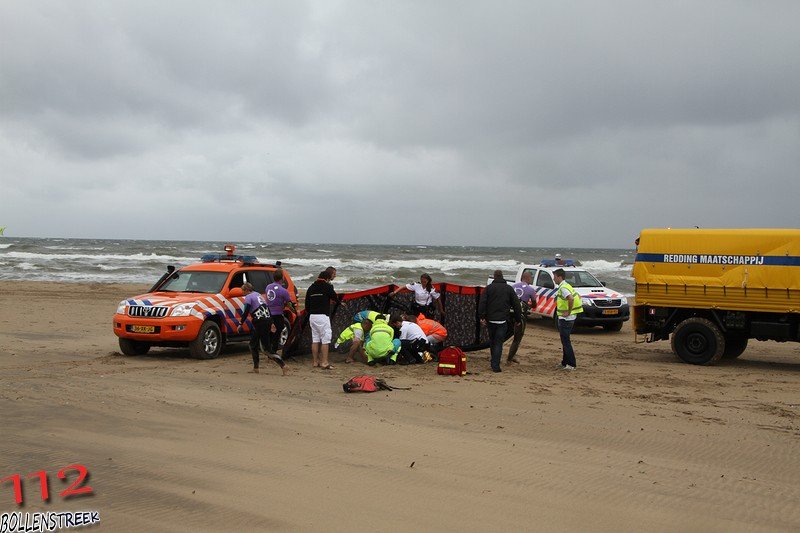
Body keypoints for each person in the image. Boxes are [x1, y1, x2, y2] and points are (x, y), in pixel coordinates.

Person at [237, 282, 287, 375]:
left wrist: (240, 323)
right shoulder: (258, 295)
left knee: (265, 348)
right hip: (266, 321)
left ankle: (283, 365)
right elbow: (267, 308)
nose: (242, 293)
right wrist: (271, 322)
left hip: (260, 323)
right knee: (254, 344)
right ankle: (256, 368)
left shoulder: (248, 297)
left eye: (243, 291)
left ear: (247, 290)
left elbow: (246, 311)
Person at [478, 270, 521, 373]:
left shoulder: (489, 288)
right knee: (498, 343)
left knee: (493, 341)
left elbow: (482, 303)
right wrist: (518, 319)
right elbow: (516, 305)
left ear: (494, 277)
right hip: (502, 320)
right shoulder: (509, 289)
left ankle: (494, 361)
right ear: (502, 277)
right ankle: (495, 365)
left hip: (491, 320)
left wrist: (481, 317)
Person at [305, 270, 338, 369]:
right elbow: (334, 297)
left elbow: (307, 305)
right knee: (325, 339)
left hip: (312, 316)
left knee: (315, 339)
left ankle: (315, 362)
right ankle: (324, 362)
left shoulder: (311, 288)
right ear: (327, 278)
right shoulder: (327, 286)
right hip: (323, 316)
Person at [553, 268, 583, 370]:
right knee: (564, 341)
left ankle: (571, 364)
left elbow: (571, 298)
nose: (553, 279)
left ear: (559, 277)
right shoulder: (565, 285)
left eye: (554, 277)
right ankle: (565, 363)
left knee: (566, 342)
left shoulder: (563, 287)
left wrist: (568, 311)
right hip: (566, 317)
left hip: (567, 318)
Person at [507, 271, 537, 364]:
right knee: (517, 338)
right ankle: (510, 358)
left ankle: (496, 354)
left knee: (503, 335)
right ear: (528, 278)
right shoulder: (531, 290)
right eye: (531, 278)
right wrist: (529, 306)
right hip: (520, 316)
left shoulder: (513, 286)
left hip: (508, 314)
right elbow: (534, 304)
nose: (531, 279)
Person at [264, 269, 297, 355]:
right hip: (278, 314)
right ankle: (273, 351)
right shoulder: (283, 291)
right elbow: (289, 304)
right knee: (277, 333)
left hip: (268, 314)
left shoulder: (268, 287)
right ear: (282, 278)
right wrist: (295, 312)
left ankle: (268, 350)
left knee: (270, 332)